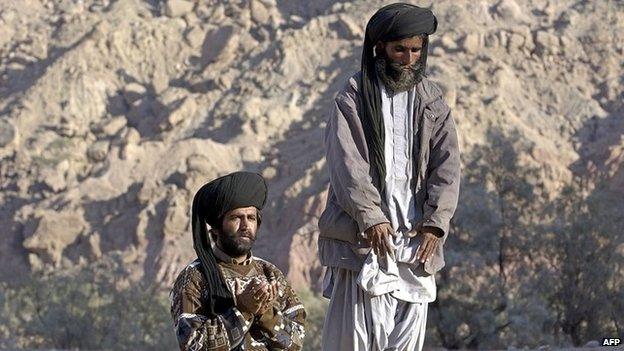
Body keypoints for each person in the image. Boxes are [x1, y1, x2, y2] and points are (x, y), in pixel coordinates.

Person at [318, 3, 460, 350]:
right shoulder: (352, 96)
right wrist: (371, 217)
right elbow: (346, 165)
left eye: (416, 49)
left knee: (406, 340)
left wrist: (435, 223)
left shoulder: (432, 100)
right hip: (365, 239)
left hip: (415, 241)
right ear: (380, 48)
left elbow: (448, 166)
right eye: (400, 49)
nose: (409, 58)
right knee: (359, 340)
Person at [170, 171, 306, 351]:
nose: (245, 226)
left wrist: (266, 314)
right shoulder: (194, 277)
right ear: (217, 228)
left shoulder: (271, 274)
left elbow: (296, 343)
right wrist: (242, 311)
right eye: (235, 218)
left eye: (251, 218)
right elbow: (193, 345)